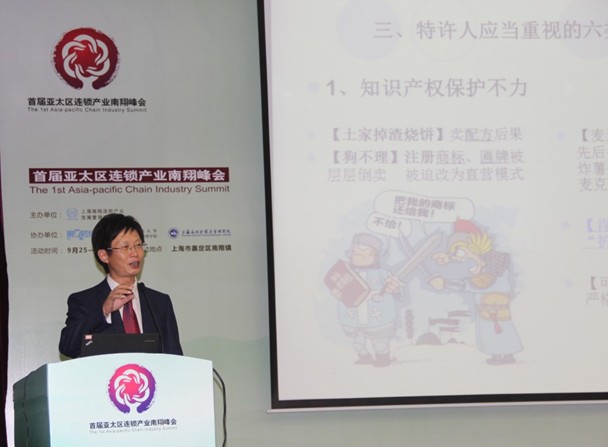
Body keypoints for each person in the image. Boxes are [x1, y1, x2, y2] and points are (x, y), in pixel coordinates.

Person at [59, 213, 183, 358]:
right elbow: (68, 347)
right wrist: (104, 311)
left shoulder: (159, 302)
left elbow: (174, 357)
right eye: (125, 247)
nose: (135, 253)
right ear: (104, 255)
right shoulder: (84, 301)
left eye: (138, 245)